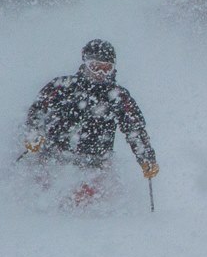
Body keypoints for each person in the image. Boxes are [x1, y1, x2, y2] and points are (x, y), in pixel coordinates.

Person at [21, 39, 159, 203]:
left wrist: (146, 158)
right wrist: (34, 133)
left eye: (107, 69)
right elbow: (37, 111)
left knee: (92, 202)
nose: (101, 73)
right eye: (95, 67)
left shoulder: (118, 97)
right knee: (42, 196)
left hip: (96, 163)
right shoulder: (62, 87)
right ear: (85, 64)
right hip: (54, 157)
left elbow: (135, 130)